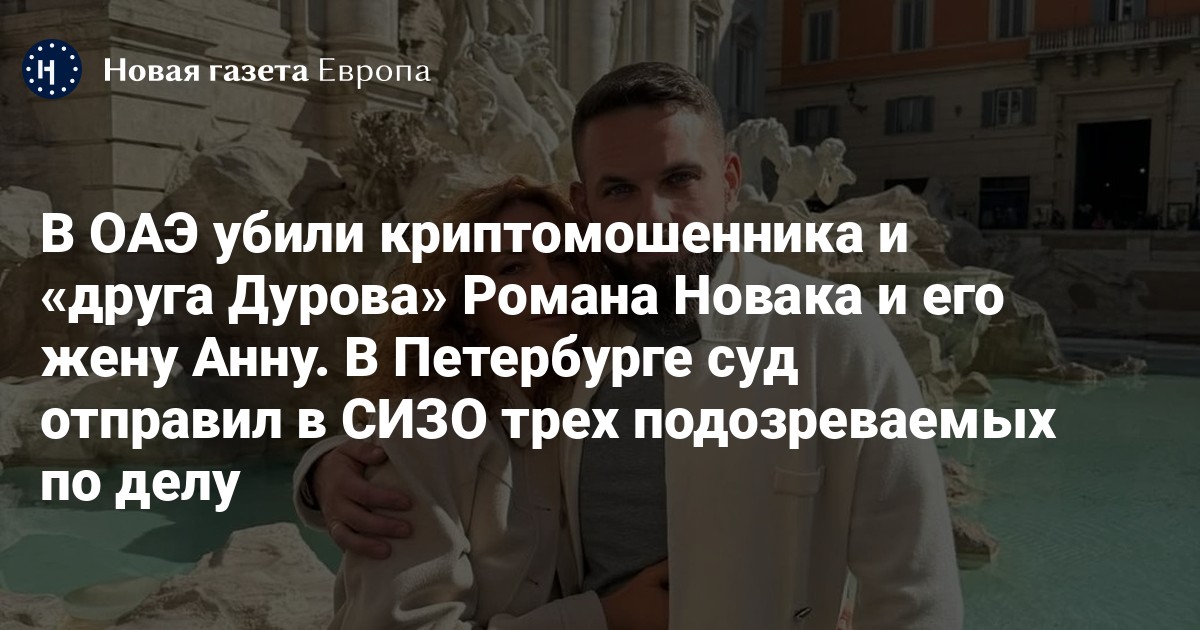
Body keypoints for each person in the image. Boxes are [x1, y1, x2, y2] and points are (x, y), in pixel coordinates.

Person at [296, 62, 963, 629]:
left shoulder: (832, 333)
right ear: (586, 205)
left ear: (730, 181)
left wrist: (323, 470)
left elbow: (914, 592)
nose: (654, 217)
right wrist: (332, 467)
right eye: (620, 189)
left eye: (680, 179)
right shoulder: (583, 338)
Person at [325, 177, 612, 628]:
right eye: (512, 268)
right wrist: (599, 617)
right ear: (467, 307)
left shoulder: (575, 399)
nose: (551, 282)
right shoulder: (431, 426)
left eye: (563, 258)